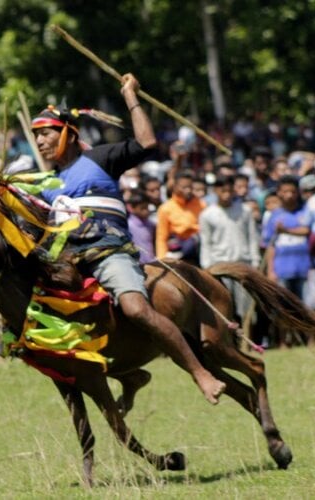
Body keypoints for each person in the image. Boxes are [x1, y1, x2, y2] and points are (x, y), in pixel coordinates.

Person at [32, 73, 226, 404]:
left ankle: (201, 374)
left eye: (45, 133)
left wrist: (130, 96)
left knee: (135, 309)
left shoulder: (99, 159)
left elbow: (148, 144)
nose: (39, 142)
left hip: (109, 254)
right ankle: (129, 375)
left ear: (67, 132)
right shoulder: (47, 183)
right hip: (70, 265)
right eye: (35, 136)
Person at [199, 175, 260, 320]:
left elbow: (252, 238)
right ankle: (231, 341)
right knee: (224, 307)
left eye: (228, 190)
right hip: (220, 265)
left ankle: (247, 341)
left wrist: (255, 261)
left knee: (246, 309)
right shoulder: (207, 214)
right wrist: (207, 267)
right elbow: (205, 242)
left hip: (242, 264)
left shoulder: (245, 211)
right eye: (222, 190)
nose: (226, 194)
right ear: (215, 191)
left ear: (233, 190)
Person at [155, 170, 206, 265]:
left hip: (199, 248)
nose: (188, 190)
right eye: (184, 187)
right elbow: (162, 237)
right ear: (175, 187)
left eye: (190, 187)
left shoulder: (201, 205)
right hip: (178, 247)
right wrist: (162, 259)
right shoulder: (166, 208)